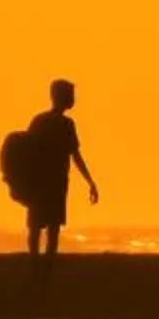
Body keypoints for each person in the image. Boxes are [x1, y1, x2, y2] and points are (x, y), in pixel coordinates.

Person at [21, 78, 98, 264]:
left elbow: (25, 150)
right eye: (71, 95)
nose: (74, 99)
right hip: (52, 183)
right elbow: (75, 156)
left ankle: (36, 262)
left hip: (46, 183)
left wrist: (90, 181)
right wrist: (90, 182)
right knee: (49, 227)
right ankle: (44, 263)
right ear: (62, 97)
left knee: (39, 226)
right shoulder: (64, 124)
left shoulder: (42, 121)